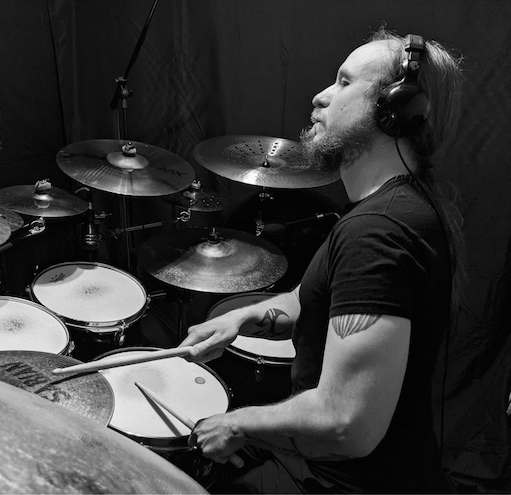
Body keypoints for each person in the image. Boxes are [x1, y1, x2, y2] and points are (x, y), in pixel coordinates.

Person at [180, 26, 465, 494]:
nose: (320, 96)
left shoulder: (377, 232)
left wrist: (237, 424)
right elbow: (315, 297)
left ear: (394, 109)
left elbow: (345, 423)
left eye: (344, 82)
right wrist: (241, 318)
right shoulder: (397, 208)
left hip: (341, 481)